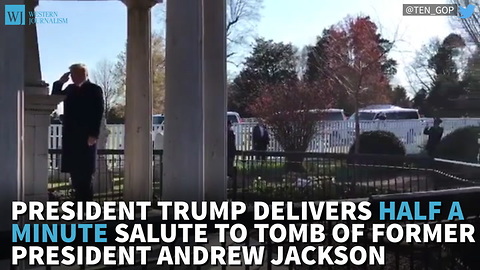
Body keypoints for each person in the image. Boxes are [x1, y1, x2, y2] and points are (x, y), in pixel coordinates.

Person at [51, 64, 105, 202]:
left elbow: (98, 112)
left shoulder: (94, 90)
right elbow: (55, 98)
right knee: (74, 174)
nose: (73, 78)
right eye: (72, 75)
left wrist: (94, 134)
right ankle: (78, 203)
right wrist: (60, 83)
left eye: (75, 75)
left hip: (87, 137)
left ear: (84, 75)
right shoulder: (70, 89)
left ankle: (86, 205)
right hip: (71, 137)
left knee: (85, 174)